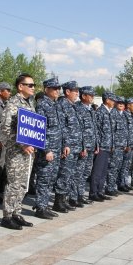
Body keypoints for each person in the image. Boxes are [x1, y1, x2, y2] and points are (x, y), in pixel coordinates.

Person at [0, 74, 36, 230]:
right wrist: (22, 144)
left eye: (34, 85)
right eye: (30, 85)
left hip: (28, 153)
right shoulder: (13, 104)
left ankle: (16, 212)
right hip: (16, 151)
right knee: (14, 183)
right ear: (20, 86)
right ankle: (7, 216)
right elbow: (5, 130)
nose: (33, 88)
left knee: (23, 184)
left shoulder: (30, 104)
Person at [33, 78, 64, 219]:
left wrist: (63, 146)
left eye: (58, 88)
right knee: (44, 179)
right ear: (46, 90)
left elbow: (60, 128)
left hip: (57, 149)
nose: (57, 91)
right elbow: (40, 130)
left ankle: (45, 206)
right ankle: (40, 207)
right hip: (47, 150)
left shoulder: (55, 105)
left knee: (51, 179)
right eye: (54, 88)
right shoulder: (42, 105)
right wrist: (46, 150)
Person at [54, 81, 82, 211]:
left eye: (77, 91)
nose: (77, 93)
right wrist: (65, 144)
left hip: (75, 146)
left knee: (70, 174)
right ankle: (58, 202)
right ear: (67, 92)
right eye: (74, 91)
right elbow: (62, 127)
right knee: (64, 174)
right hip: (68, 146)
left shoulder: (73, 106)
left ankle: (64, 199)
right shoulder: (62, 105)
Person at [71, 86, 97, 205]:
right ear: (84, 96)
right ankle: (73, 197)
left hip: (91, 146)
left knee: (86, 172)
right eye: (90, 95)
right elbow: (79, 130)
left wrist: (96, 144)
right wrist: (82, 147)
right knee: (77, 173)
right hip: (83, 147)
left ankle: (80, 195)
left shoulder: (91, 109)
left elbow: (94, 129)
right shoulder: (77, 108)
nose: (92, 97)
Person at [89, 92, 115, 202]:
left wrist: (112, 144)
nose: (114, 102)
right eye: (112, 100)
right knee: (97, 171)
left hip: (108, 146)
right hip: (102, 146)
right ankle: (93, 192)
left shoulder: (108, 112)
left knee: (104, 171)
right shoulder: (100, 112)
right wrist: (97, 146)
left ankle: (100, 191)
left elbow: (111, 132)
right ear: (107, 100)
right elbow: (97, 131)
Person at [109, 96, 128, 194]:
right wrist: (112, 145)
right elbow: (111, 131)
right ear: (116, 103)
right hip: (115, 146)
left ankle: (114, 186)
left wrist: (124, 144)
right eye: (119, 102)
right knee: (113, 167)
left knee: (118, 167)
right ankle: (110, 188)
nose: (121, 104)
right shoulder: (113, 114)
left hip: (121, 146)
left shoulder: (123, 115)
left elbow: (125, 132)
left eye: (122, 103)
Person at [122, 97, 133, 189]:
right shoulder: (125, 115)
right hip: (127, 145)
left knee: (127, 165)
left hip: (131, 145)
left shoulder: (131, 116)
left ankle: (125, 183)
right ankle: (121, 183)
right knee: (124, 166)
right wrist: (127, 144)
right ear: (128, 105)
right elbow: (125, 132)